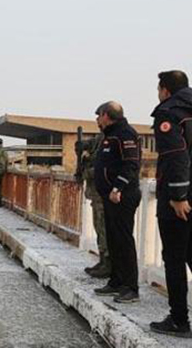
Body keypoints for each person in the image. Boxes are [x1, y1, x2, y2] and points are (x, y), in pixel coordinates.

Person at [149, 70, 192, 338]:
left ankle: (179, 320)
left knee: (174, 259)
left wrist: (178, 196)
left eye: (158, 89)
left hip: (180, 198)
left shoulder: (169, 112)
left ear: (165, 89)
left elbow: (175, 155)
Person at [92, 101, 141, 304]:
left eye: (98, 115)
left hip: (122, 195)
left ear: (106, 115)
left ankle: (131, 287)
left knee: (124, 240)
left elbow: (131, 164)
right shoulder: (109, 135)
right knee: (113, 239)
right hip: (109, 196)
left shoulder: (125, 134)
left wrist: (117, 187)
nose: (96, 119)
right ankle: (116, 281)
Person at [76, 134, 111, 279]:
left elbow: (102, 167)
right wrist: (81, 146)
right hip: (96, 194)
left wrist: (86, 169)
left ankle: (108, 263)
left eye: (100, 117)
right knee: (99, 228)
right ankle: (103, 260)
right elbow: (86, 144)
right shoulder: (99, 138)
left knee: (104, 229)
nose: (98, 120)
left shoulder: (111, 138)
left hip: (103, 194)